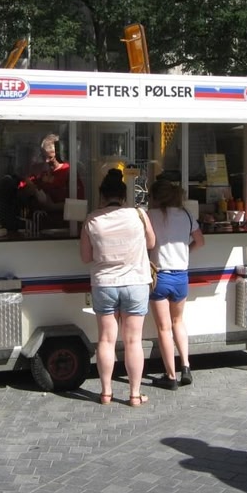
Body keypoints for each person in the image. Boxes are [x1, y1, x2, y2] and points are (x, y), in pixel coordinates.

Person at [80, 168, 155, 407]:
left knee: (106, 340)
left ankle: (106, 393)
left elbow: (85, 257)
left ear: (102, 196)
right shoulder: (139, 215)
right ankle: (134, 395)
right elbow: (151, 243)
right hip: (136, 283)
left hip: (104, 284)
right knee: (133, 341)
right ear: (124, 196)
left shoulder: (92, 219)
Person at [146, 178, 205, 390]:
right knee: (178, 321)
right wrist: (185, 252)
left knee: (164, 328)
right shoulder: (186, 215)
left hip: (160, 276)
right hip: (181, 276)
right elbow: (200, 241)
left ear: (155, 197)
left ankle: (170, 376)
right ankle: (186, 366)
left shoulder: (149, 216)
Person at [21, 134, 84, 227]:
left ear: (59, 154)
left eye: (50, 157)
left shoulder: (69, 173)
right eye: (43, 156)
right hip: (41, 224)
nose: (46, 161)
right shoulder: (41, 171)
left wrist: (53, 206)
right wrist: (29, 188)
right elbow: (24, 186)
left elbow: (79, 205)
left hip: (63, 226)